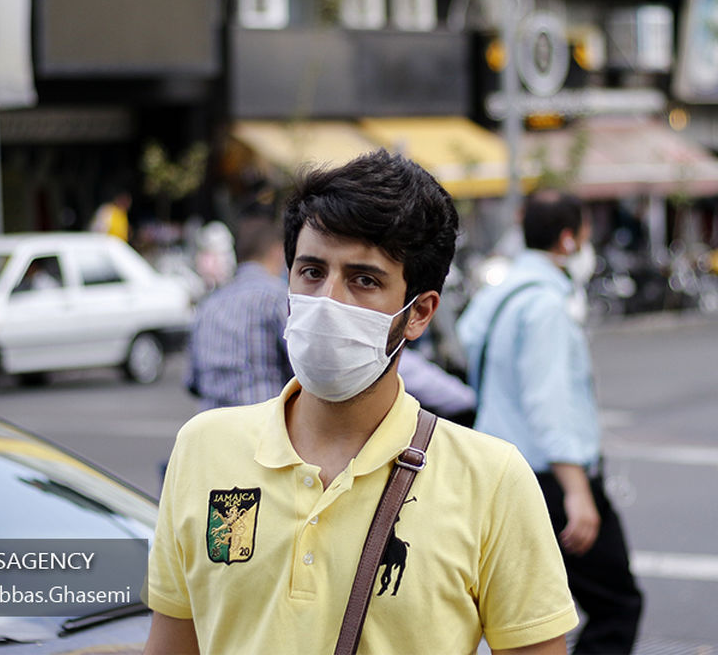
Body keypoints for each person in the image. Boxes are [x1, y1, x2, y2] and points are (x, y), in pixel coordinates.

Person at [143, 150, 578, 655]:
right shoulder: (203, 448)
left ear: (419, 314)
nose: (329, 301)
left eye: (364, 279)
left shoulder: (493, 479)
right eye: (311, 272)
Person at [456, 190, 643, 655]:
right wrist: (578, 491)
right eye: (582, 234)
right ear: (567, 239)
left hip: (499, 469)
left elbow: (466, 341)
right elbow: (550, 401)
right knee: (616, 603)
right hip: (548, 477)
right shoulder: (544, 308)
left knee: (517, 609)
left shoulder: (501, 295)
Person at [186, 211, 292, 410]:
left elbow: (193, 381)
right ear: (277, 251)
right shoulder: (276, 298)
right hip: (262, 428)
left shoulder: (209, 305)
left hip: (211, 430)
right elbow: (304, 371)